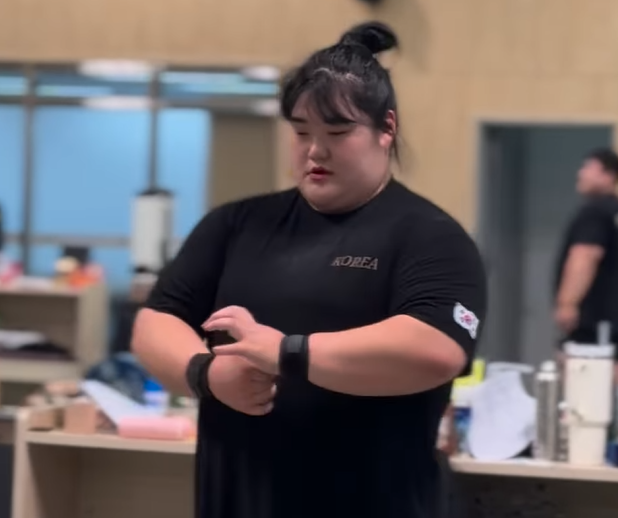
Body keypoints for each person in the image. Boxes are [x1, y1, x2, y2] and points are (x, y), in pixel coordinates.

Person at [132, 21, 487, 518]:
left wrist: (286, 353)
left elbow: (434, 349)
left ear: (386, 128)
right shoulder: (236, 225)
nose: (315, 151)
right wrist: (207, 374)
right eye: (301, 132)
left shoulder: (430, 236)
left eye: (337, 133)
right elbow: (156, 322)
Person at [554, 148, 618, 363]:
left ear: (608, 175)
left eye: (588, 168)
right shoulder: (613, 212)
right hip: (610, 322)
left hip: (596, 322)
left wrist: (568, 303)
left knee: (590, 374)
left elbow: (586, 256)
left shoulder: (595, 212)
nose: (580, 173)